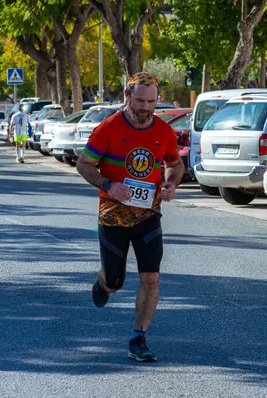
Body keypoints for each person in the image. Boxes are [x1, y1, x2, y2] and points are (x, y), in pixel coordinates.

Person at [76, 72, 184, 363]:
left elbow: (174, 163)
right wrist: (108, 185)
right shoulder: (108, 128)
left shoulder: (163, 131)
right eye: (140, 101)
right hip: (113, 215)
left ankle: (139, 337)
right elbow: (84, 165)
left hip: (148, 214)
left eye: (151, 101)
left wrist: (171, 183)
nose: (146, 107)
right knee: (115, 283)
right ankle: (104, 281)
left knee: (151, 277)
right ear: (127, 96)